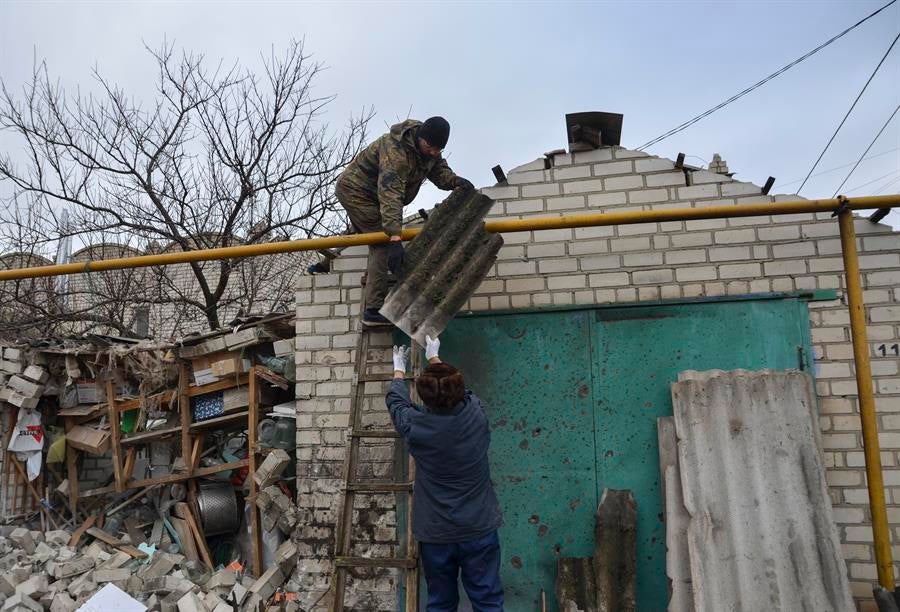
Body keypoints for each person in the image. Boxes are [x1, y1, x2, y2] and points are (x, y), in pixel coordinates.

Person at [387, 335, 504, 611]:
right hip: (478, 527)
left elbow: (397, 404)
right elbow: (463, 392)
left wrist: (399, 372)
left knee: (441, 603)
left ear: (425, 398)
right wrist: (434, 358)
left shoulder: (416, 427)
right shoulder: (476, 414)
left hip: (437, 533)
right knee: (488, 601)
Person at [335, 116, 474, 326]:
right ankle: (372, 311)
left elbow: (439, 172)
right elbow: (391, 196)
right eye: (430, 147)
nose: (433, 153)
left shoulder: (430, 149)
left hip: (375, 196)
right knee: (381, 242)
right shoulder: (396, 153)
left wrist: (455, 181)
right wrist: (394, 238)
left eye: (438, 149)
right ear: (421, 138)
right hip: (356, 191)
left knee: (365, 229)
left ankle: (324, 262)